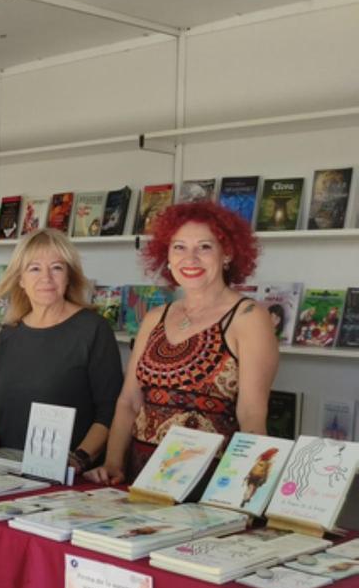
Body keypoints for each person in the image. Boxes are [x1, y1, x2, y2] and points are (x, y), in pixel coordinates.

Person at [88, 201, 279, 485]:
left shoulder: (249, 317)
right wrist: (113, 463)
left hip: (208, 482)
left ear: (227, 253)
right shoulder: (155, 318)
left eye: (204, 246)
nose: (190, 258)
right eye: (179, 247)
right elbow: (129, 401)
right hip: (138, 476)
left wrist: (243, 493)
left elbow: (251, 414)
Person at [0, 230, 122, 471]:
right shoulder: (7, 335)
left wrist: (80, 458)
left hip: (66, 476)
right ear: (20, 279)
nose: (46, 277)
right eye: (34, 268)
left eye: (57, 267)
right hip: (6, 470)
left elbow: (109, 410)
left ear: (69, 276)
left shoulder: (93, 330)